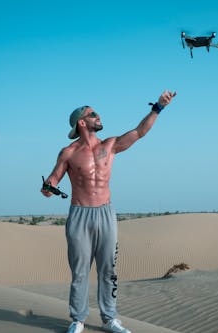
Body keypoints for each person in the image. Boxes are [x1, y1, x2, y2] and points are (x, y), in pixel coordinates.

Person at [41, 90, 176, 333]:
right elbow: (52, 180)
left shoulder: (110, 145)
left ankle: (109, 318)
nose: (98, 116)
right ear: (82, 122)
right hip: (79, 215)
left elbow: (139, 132)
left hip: (105, 214)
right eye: (93, 114)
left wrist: (158, 108)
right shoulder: (68, 153)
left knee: (109, 270)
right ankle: (78, 319)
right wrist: (47, 187)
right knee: (80, 271)